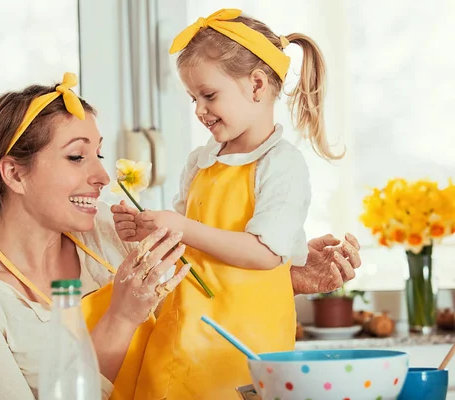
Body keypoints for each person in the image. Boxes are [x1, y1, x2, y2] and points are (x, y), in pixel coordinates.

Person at [111, 8, 356, 399]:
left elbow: (265, 253)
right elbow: (184, 245)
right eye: (193, 98)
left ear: (257, 86)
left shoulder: (282, 165)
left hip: (239, 349)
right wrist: (149, 230)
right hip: (180, 335)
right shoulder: (200, 160)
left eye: (208, 95)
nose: (199, 110)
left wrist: (181, 227)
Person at [0, 72, 191, 400]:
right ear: (15, 173)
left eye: (99, 155)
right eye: (77, 157)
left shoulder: (109, 231)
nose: (103, 177)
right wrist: (121, 319)